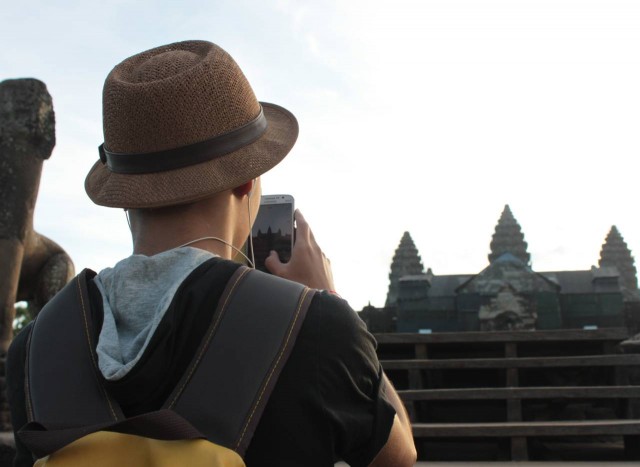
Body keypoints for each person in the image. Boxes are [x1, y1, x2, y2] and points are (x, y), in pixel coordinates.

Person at [6, 40, 416, 466]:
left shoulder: (37, 347)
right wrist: (329, 300)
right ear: (246, 179)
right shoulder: (316, 326)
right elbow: (399, 457)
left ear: (125, 195)